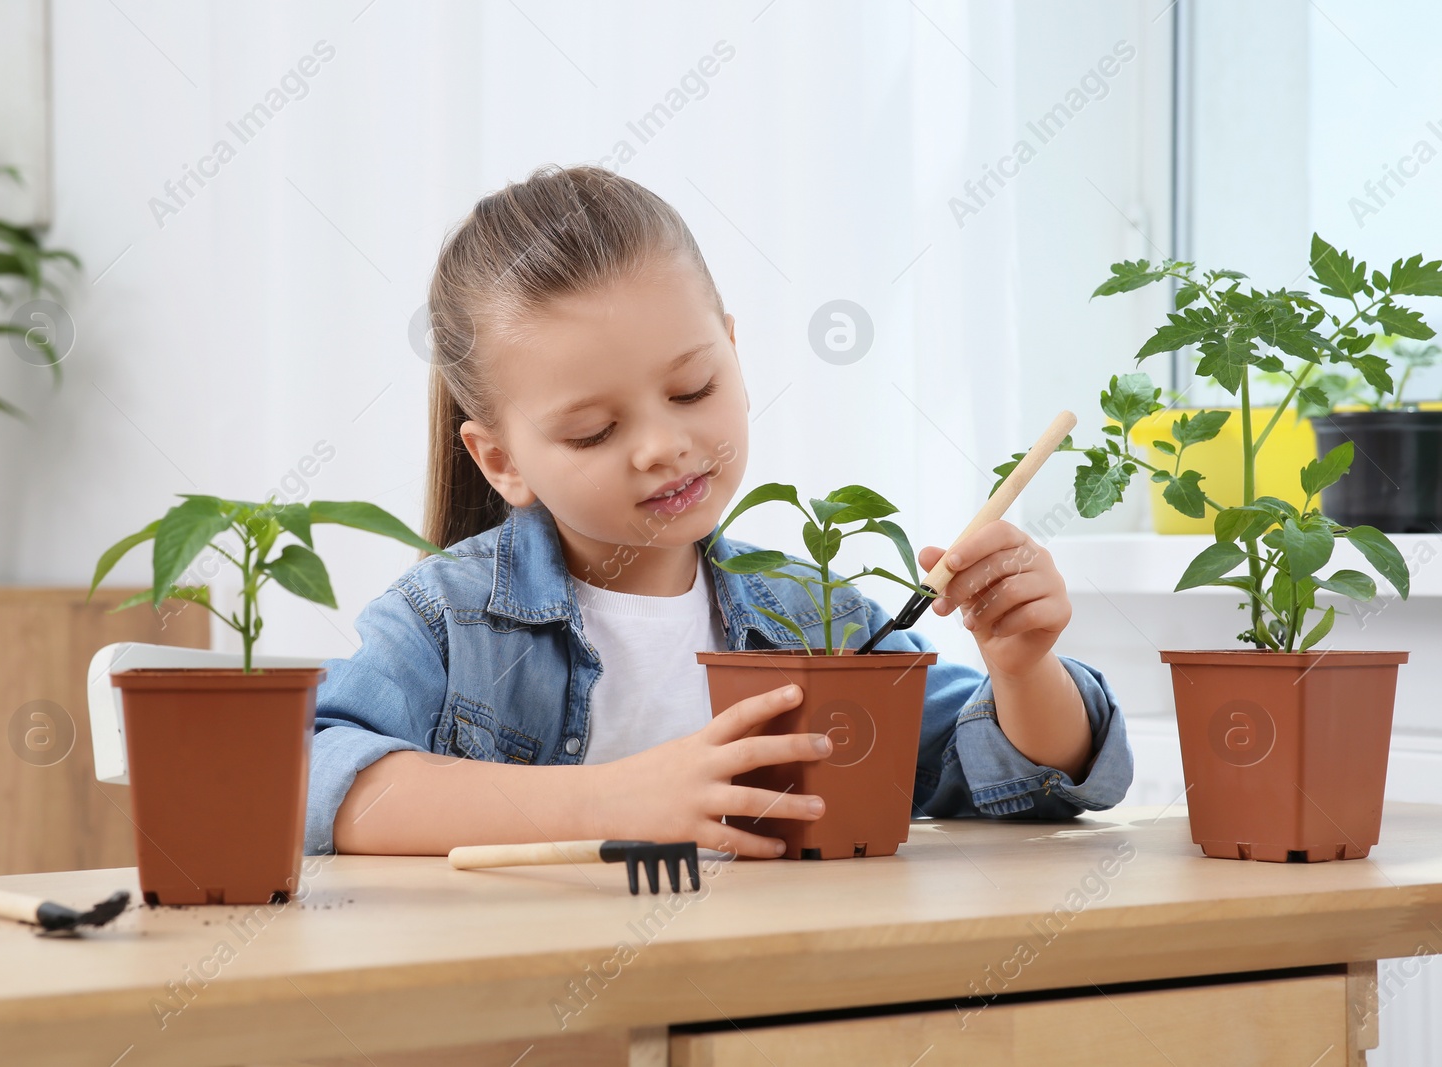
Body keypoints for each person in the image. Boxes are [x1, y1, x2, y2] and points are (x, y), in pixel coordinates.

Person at [308, 165, 1131, 859]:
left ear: (734, 353)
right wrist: (604, 802)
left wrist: (1025, 670)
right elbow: (316, 775)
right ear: (502, 461)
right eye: (595, 431)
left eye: (692, 388)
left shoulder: (815, 620)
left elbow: (998, 771)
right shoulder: (448, 621)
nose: (663, 445)